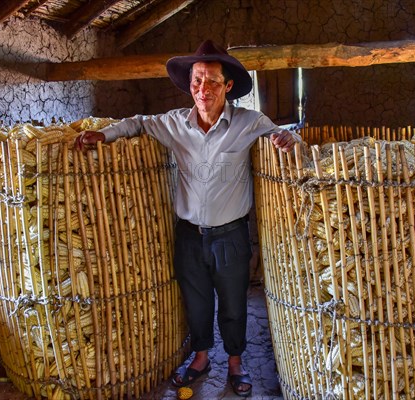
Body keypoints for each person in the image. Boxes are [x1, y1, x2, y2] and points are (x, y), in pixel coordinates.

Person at [75, 39, 299, 397]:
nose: (202, 89)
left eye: (211, 81)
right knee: (195, 301)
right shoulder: (175, 124)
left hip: (231, 235)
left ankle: (236, 363)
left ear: (227, 86)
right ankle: (200, 358)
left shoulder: (249, 122)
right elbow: (138, 123)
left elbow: (286, 138)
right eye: (197, 80)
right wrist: (103, 134)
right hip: (190, 234)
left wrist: (289, 141)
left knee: (232, 302)